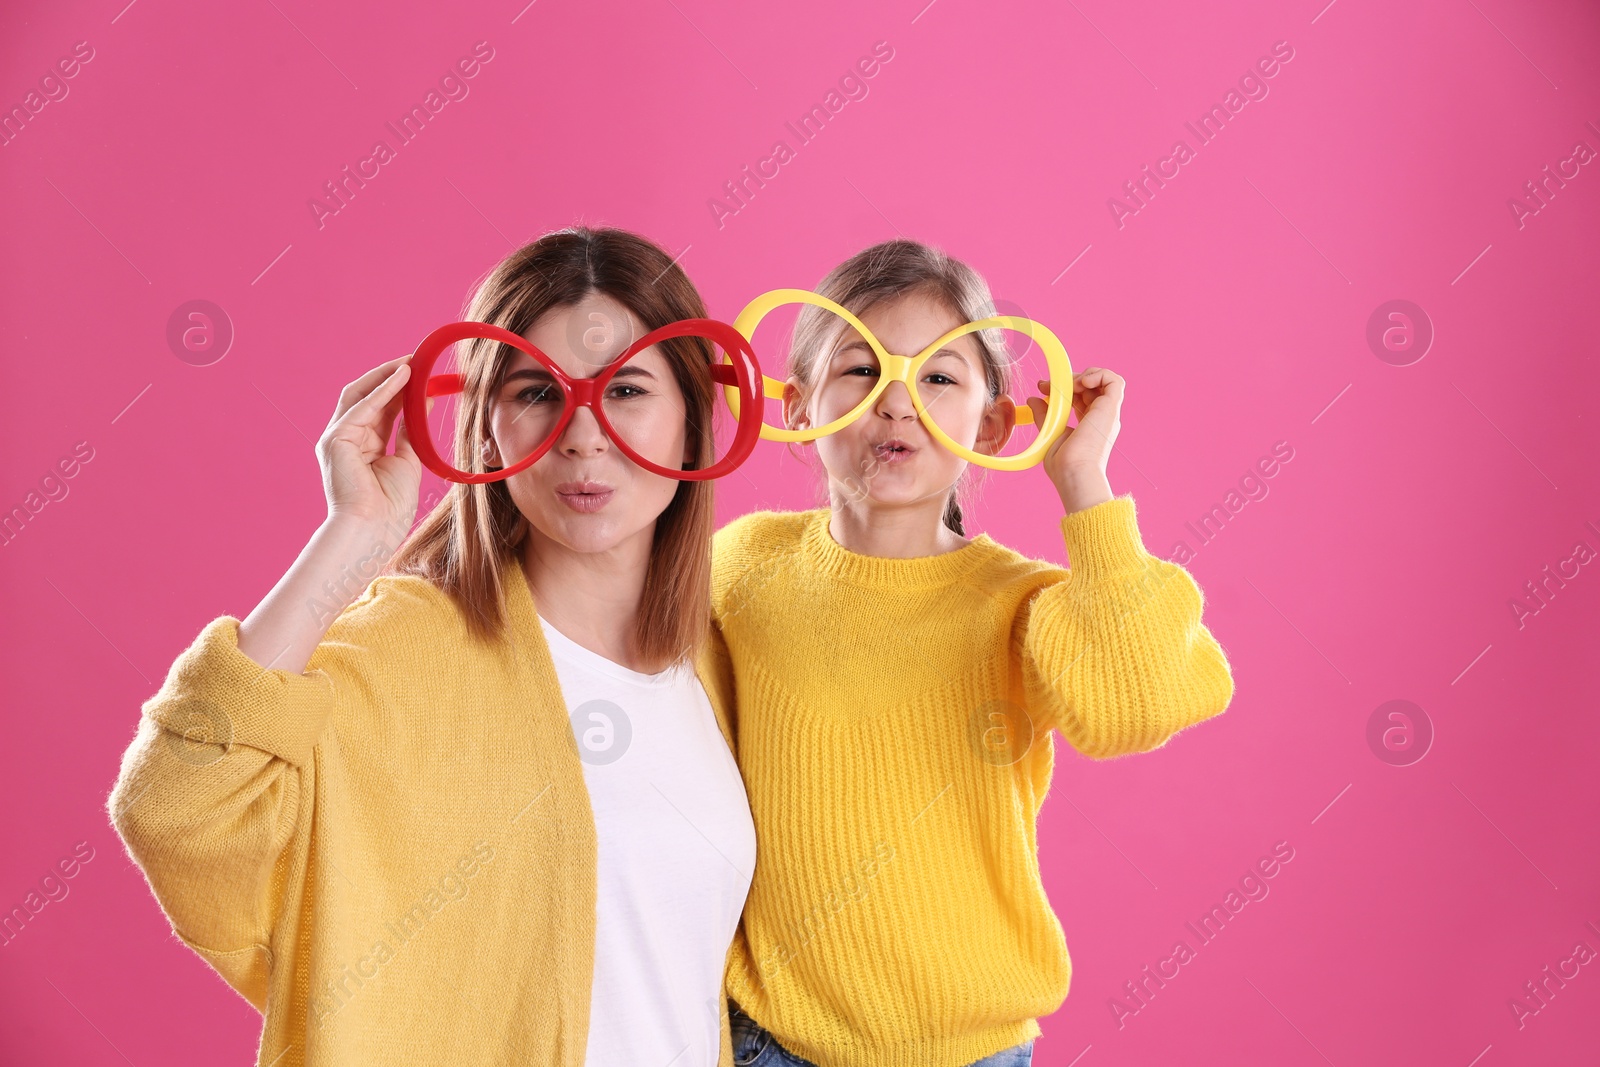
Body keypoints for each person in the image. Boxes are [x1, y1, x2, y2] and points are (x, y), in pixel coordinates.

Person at [106, 226, 755, 1067]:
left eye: (626, 390)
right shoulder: (410, 645)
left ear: (693, 425)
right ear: (484, 427)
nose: (584, 435)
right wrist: (355, 537)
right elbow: (175, 804)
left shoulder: (720, 661)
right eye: (536, 393)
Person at [713, 238, 1237, 1067]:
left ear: (991, 424)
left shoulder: (1023, 603)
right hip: (771, 1042)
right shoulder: (742, 564)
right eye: (859, 369)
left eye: (938, 378)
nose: (895, 401)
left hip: (971, 1053)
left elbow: (1136, 707)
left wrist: (1083, 482)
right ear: (799, 406)